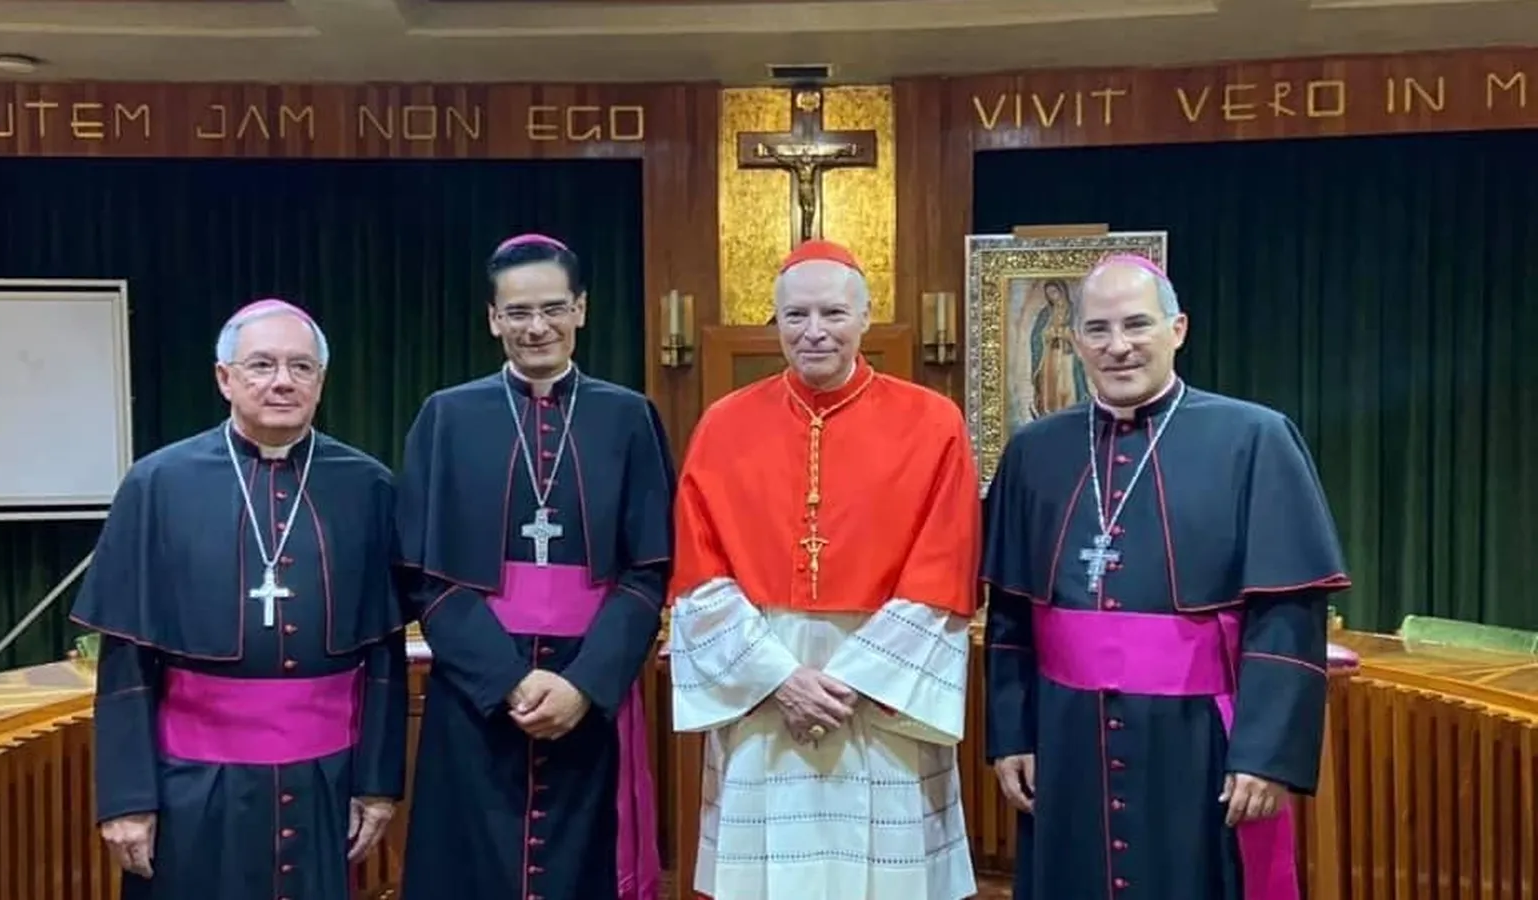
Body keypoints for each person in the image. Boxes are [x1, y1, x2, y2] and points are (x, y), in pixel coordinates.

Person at [981, 254, 1351, 900]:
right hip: (1067, 741)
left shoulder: (1254, 438)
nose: (1117, 345)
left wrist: (1264, 754)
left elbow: (1289, 614)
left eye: (1137, 324)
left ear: (1177, 329)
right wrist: (1011, 733)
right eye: (1098, 329)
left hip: (1199, 743)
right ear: (1075, 341)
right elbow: (1010, 612)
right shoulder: (1034, 452)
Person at [667, 239, 981, 900]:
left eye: (833, 313)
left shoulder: (934, 424)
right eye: (796, 315)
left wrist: (849, 683)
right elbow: (699, 573)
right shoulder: (723, 425)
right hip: (763, 687)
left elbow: (942, 572)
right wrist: (779, 680)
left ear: (865, 316)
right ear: (775, 321)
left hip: (885, 691)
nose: (815, 331)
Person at [69, 298, 409, 900]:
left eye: (301, 367)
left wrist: (378, 784)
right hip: (192, 785)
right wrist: (127, 798)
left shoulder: (369, 485)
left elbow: (384, 652)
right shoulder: (158, 484)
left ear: (321, 381)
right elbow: (125, 659)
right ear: (224, 378)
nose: (283, 381)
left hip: (325, 782)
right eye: (261, 365)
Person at [395, 233, 673, 900]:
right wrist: (506, 681)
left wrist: (584, 684)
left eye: (552, 308)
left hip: (590, 692)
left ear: (581, 309)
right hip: (478, 696)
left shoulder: (628, 416)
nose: (536, 327)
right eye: (517, 312)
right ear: (493, 318)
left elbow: (649, 571)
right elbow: (423, 574)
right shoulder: (447, 417)